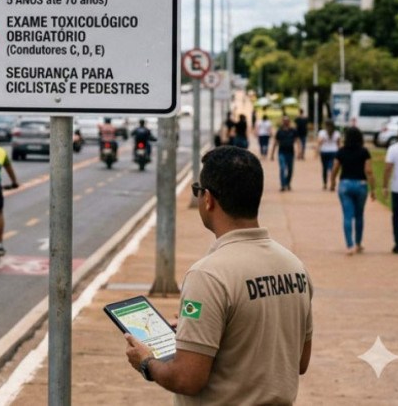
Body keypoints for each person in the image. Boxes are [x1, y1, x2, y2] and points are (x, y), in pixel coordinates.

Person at [123, 146, 312, 403]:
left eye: (197, 191)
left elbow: (187, 379)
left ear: (208, 199)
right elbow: (299, 361)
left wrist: (146, 362)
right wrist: (204, 329)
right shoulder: (294, 267)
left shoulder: (207, 276)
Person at [329, 126, 374, 255]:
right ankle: (358, 243)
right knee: (359, 216)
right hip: (361, 185)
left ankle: (350, 245)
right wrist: (373, 189)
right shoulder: (364, 152)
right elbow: (369, 171)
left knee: (347, 216)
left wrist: (332, 182)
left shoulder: (341, 151)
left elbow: (335, 168)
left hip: (345, 184)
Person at [381, 122, 398, 255]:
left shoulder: (393, 148)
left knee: (396, 216)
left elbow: (387, 169)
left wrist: (385, 186)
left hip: (397, 187)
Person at [269, 116, 300, 191]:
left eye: (287, 121)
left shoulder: (293, 131)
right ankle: (283, 185)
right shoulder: (279, 131)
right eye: (284, 121)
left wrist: (299, 152)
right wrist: (272, 154)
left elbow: (297, 141)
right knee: (282, 168)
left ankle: (288, 183)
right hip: (281, 152)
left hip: (290, 153)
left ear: (289, 122)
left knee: (290, 170)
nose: (286, 122)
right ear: (282, 122)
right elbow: (275, 142)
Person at [316, 120, 341, 191]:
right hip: (334, 152)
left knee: (324, 168)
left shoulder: (322, 132)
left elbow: (319, 143)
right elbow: (339, 144)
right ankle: (332, 181)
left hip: (324, 152)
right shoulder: (336, 133)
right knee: (332, 168)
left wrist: (316, 152)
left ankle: (325, 183)